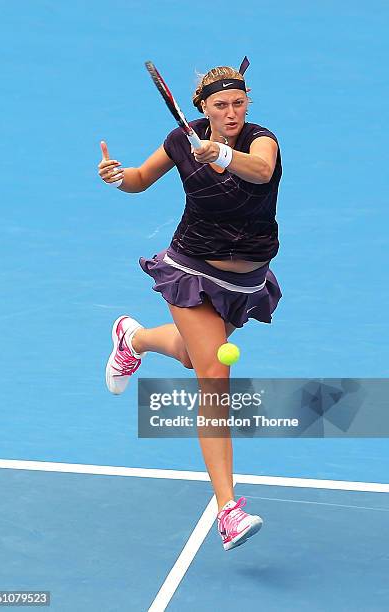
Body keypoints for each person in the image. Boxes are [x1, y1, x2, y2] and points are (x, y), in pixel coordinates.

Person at [98, 58, 282, 551]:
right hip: (193, 269)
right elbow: (140, 178)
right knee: (214, 378)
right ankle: (229, 510)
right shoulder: (182, 140)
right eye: (220, 105)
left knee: (191, 352)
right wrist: (117, 177)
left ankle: (133, 337)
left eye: (238, 103)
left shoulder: (262, 140)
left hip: (246, 278)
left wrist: (220, 153)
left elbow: (261, 172)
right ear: (202, 108)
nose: (231, 112)